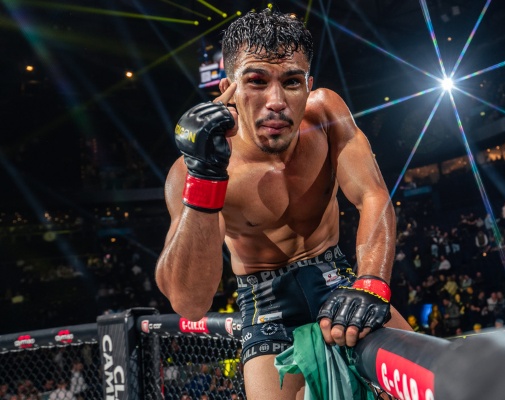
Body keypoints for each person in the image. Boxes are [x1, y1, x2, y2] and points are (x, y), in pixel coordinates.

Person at [155, 10, 410, 400]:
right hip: (266, 305)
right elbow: (189, 303)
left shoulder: (325, 114)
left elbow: (372, 195)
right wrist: (205, 176)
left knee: (431, 382)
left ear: (308, 86)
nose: (276, 102)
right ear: (228, 90)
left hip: (339, 281)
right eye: (257, 81)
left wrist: (372, 282)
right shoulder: (187, 172)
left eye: (291, 82)